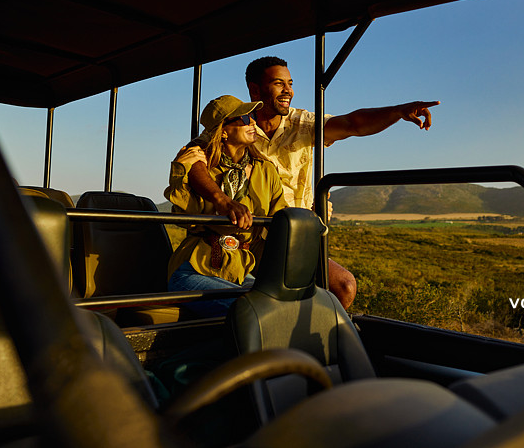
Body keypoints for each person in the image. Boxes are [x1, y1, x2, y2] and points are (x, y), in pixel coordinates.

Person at [184, 56, 440, 309]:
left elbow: (352, 124)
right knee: (270, 303)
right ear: (255, 89)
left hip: (295, 235)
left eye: (291, 83)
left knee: (343, 287)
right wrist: (222, 200)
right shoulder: (237, 127)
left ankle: (316, 343)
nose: (288, 91)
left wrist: (396, 111)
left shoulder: (303, 123)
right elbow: (192, 158)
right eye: (278, 84)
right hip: (255, 236)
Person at [164, 95, 287, 317]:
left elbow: (281, 217)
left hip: (240, 271)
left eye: (253, 116)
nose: (253, 122)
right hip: (196, 270)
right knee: (251, 313)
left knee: (282, 309)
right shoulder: (200, 166)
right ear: (223, 130)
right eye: (245, 117)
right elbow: (184, 213)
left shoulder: (265, 170)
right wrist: (220, 200)